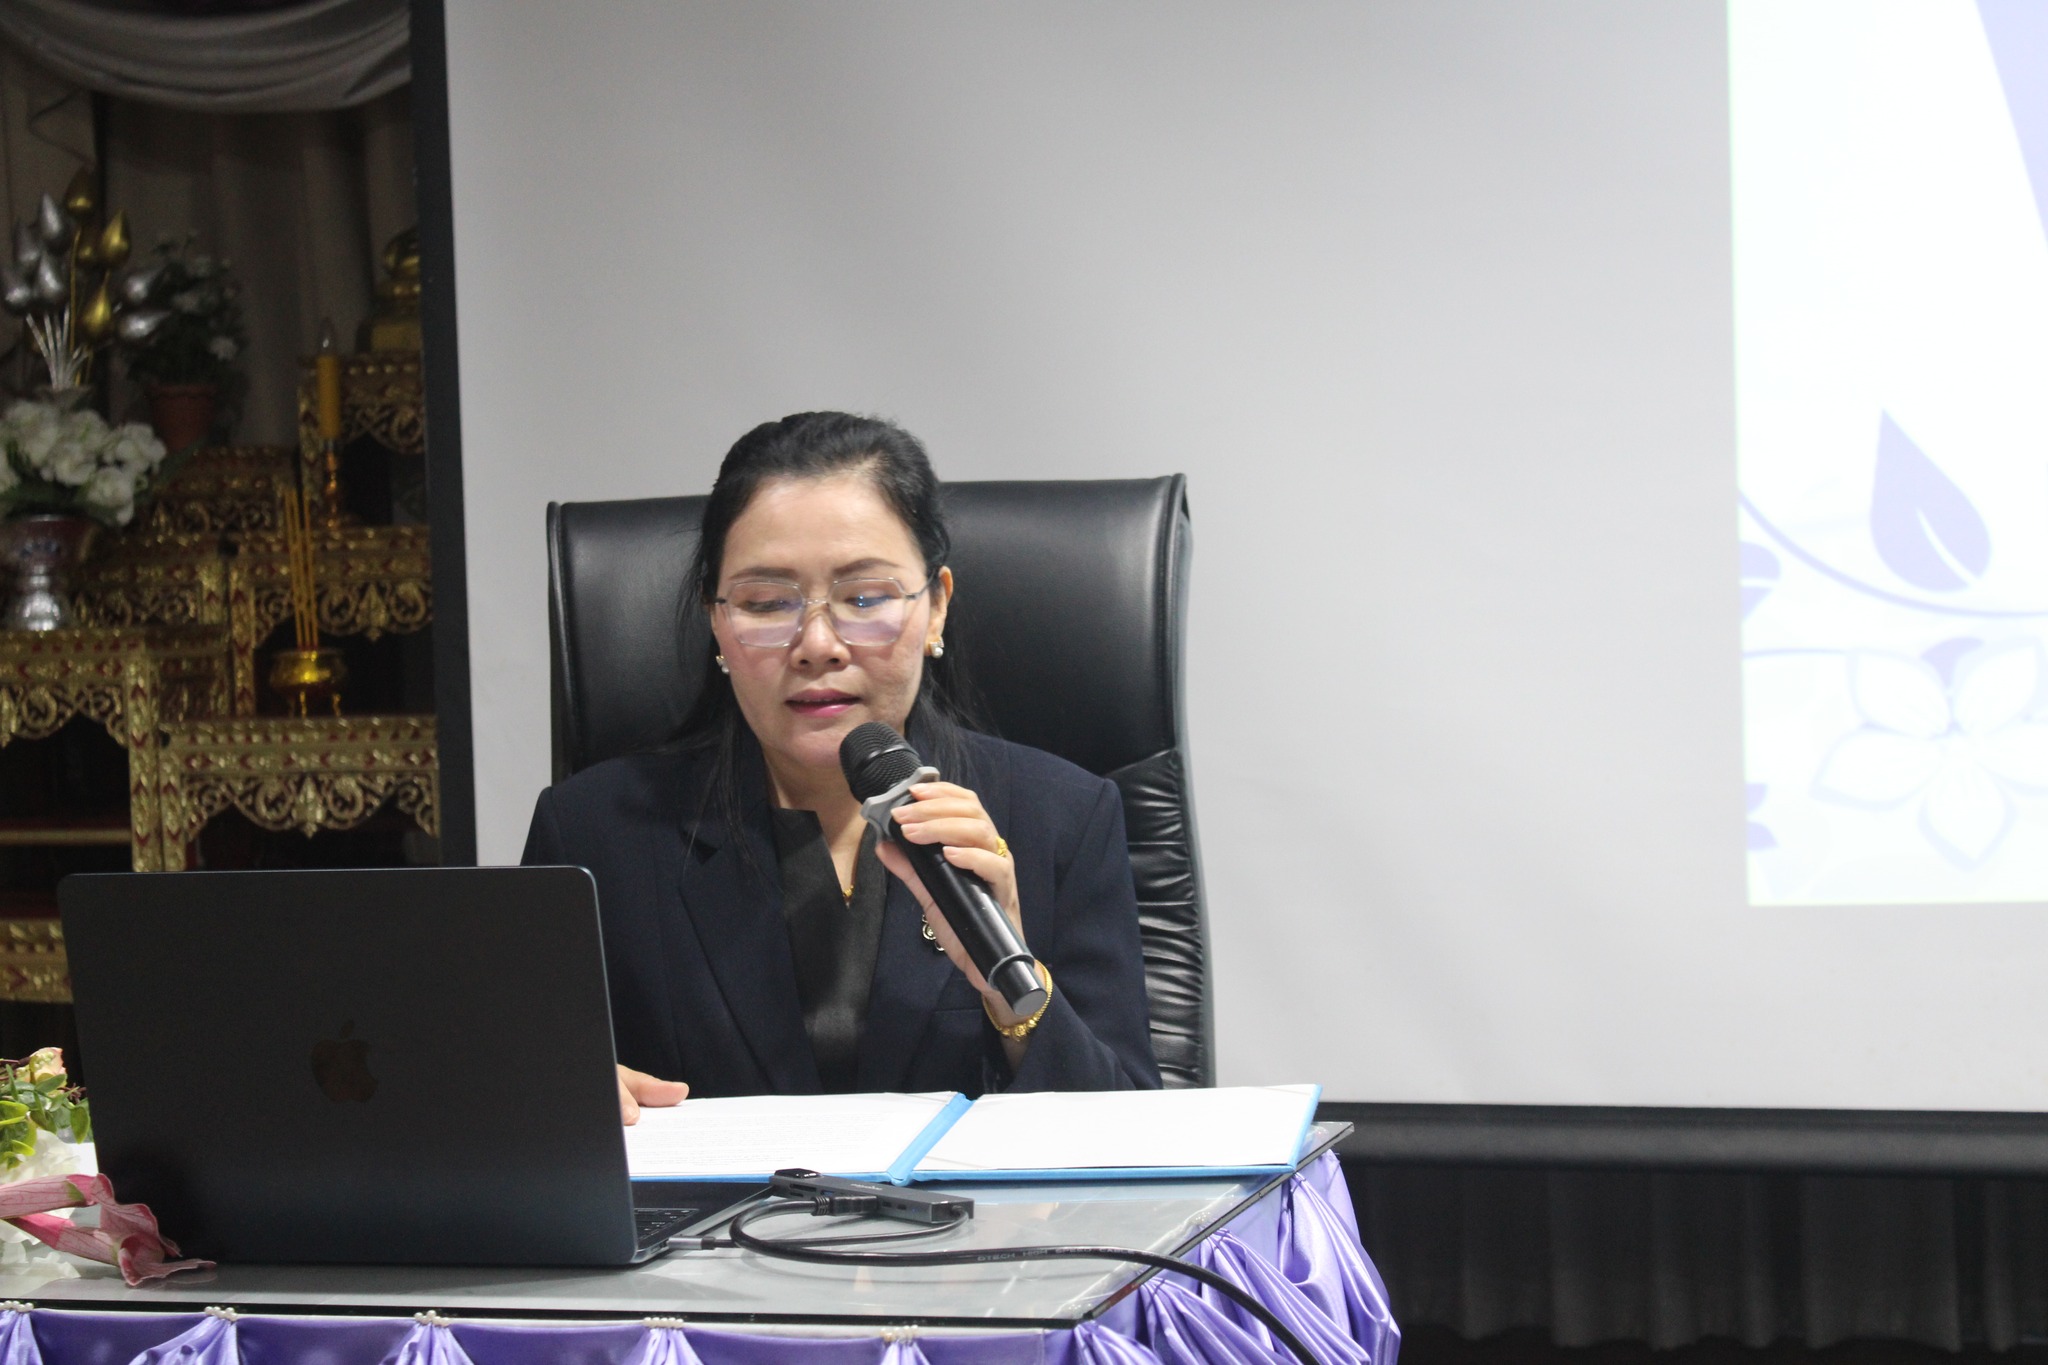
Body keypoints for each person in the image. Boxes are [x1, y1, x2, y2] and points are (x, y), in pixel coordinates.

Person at [521, 412, 1161, 1121]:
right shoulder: (593, 835)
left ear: (936, 607)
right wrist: (548, 1099)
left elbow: (1133, 1137)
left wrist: (1010, 982)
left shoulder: (1062, 819)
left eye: (864, 598)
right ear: (717, 622)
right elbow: (509, 1101)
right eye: (768, 603)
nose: (817, 644)